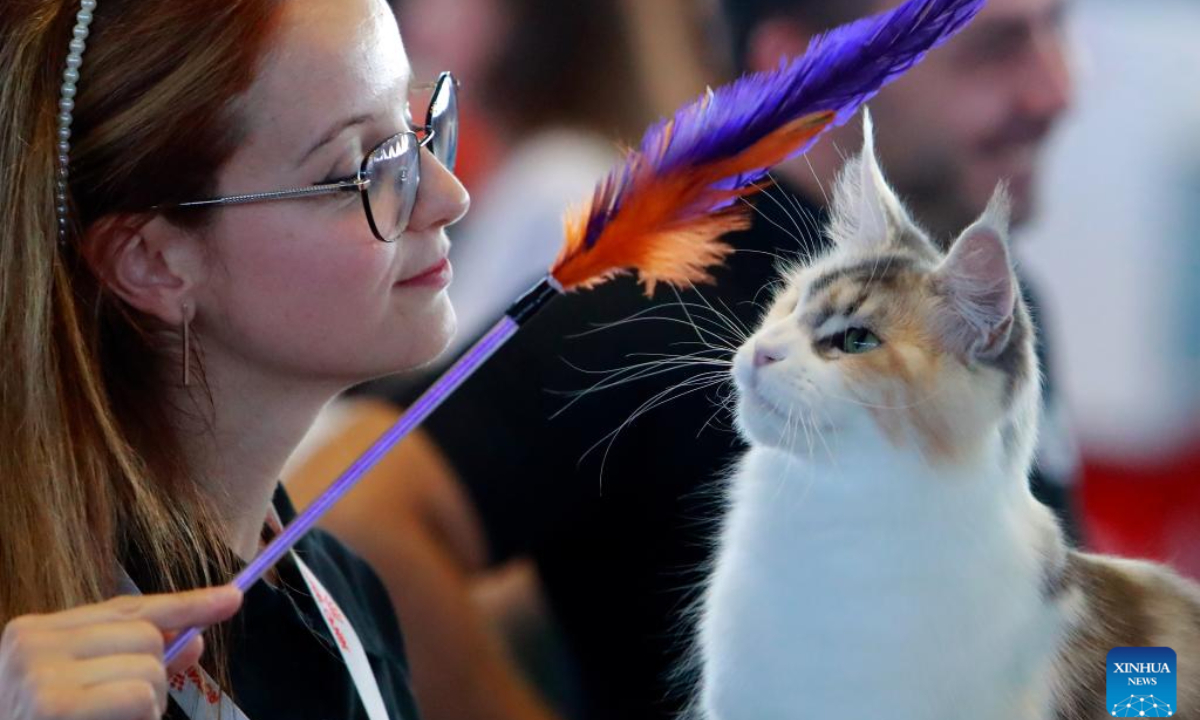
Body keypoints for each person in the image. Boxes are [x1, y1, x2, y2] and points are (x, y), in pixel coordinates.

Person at [285, 0, 1080, 718]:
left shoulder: (986, 305)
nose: (1057, 91)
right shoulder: (667, 314)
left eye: (1058, 31)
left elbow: (1080, 622)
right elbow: (344, 512)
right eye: (994, 50)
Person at [0, 1, 468, 719]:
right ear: (154, 262)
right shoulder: (35, 668)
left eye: (412, 131)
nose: (447, 196)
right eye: (365, 166)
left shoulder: (339, 594)